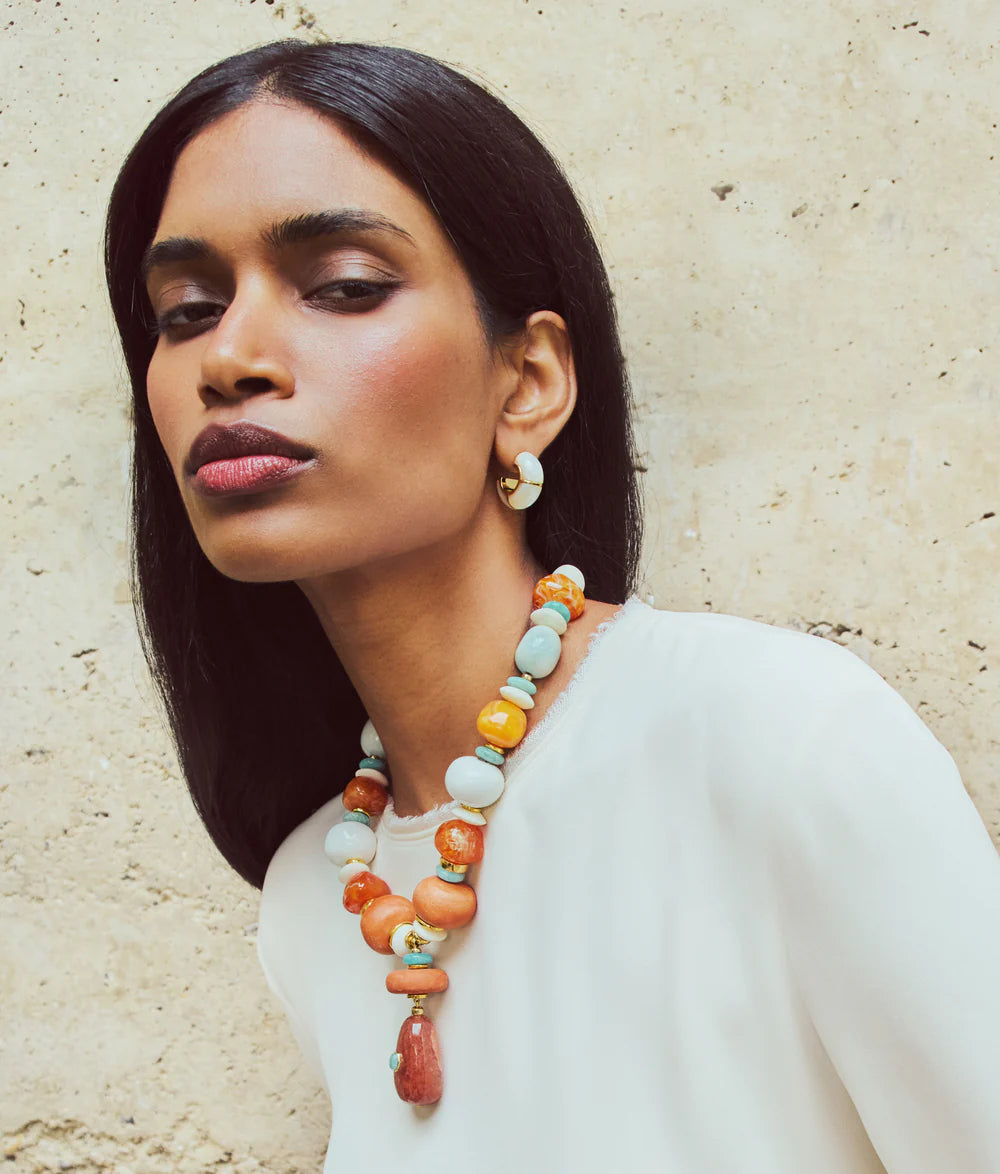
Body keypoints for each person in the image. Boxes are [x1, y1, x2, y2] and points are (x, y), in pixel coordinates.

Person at [104, 38, 1000, 1173]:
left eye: (341, 286)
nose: (227, 357)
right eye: (185, 309)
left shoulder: (779, 741)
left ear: (526, 383)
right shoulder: (312, 892)